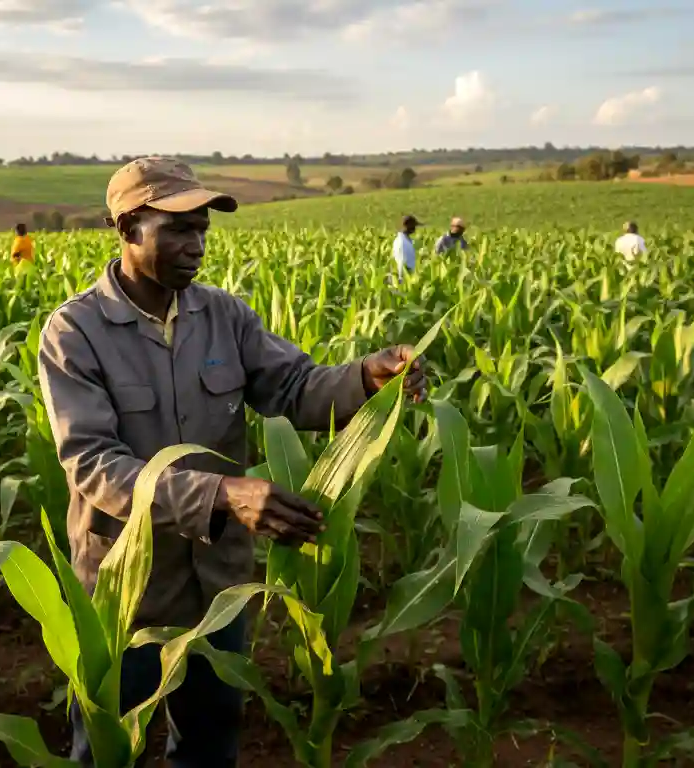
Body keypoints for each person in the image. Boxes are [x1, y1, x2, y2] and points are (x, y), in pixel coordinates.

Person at [38, 157, 426, 768]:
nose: (196, 246)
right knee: (108, 751)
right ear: (128, 227)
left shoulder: (225, 316)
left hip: (218, 585)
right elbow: (93, 465)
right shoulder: (75, 332)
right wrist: (222, 496)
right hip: (127, 592)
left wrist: (365, 379)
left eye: (201, 231)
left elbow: (296, 387)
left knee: (210, 744)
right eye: (177, 230)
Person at [392, 214, 420, 281]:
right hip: (404, 281)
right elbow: (402, 264)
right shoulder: (402, 243)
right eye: (413, 226)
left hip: (409, 278)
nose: (415, 229)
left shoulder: (406, 241)